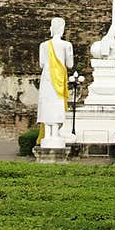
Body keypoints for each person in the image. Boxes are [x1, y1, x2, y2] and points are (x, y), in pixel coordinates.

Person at [36, 17, 74, 148]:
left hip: (47, 76)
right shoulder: (67, 45)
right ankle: (55, 132)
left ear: (51, 29)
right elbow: (70, 64)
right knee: (57, 103)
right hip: (59, 76)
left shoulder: (44, 45)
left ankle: (47, 134)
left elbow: (41, 64)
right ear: (63, 30)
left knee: (47, 102)